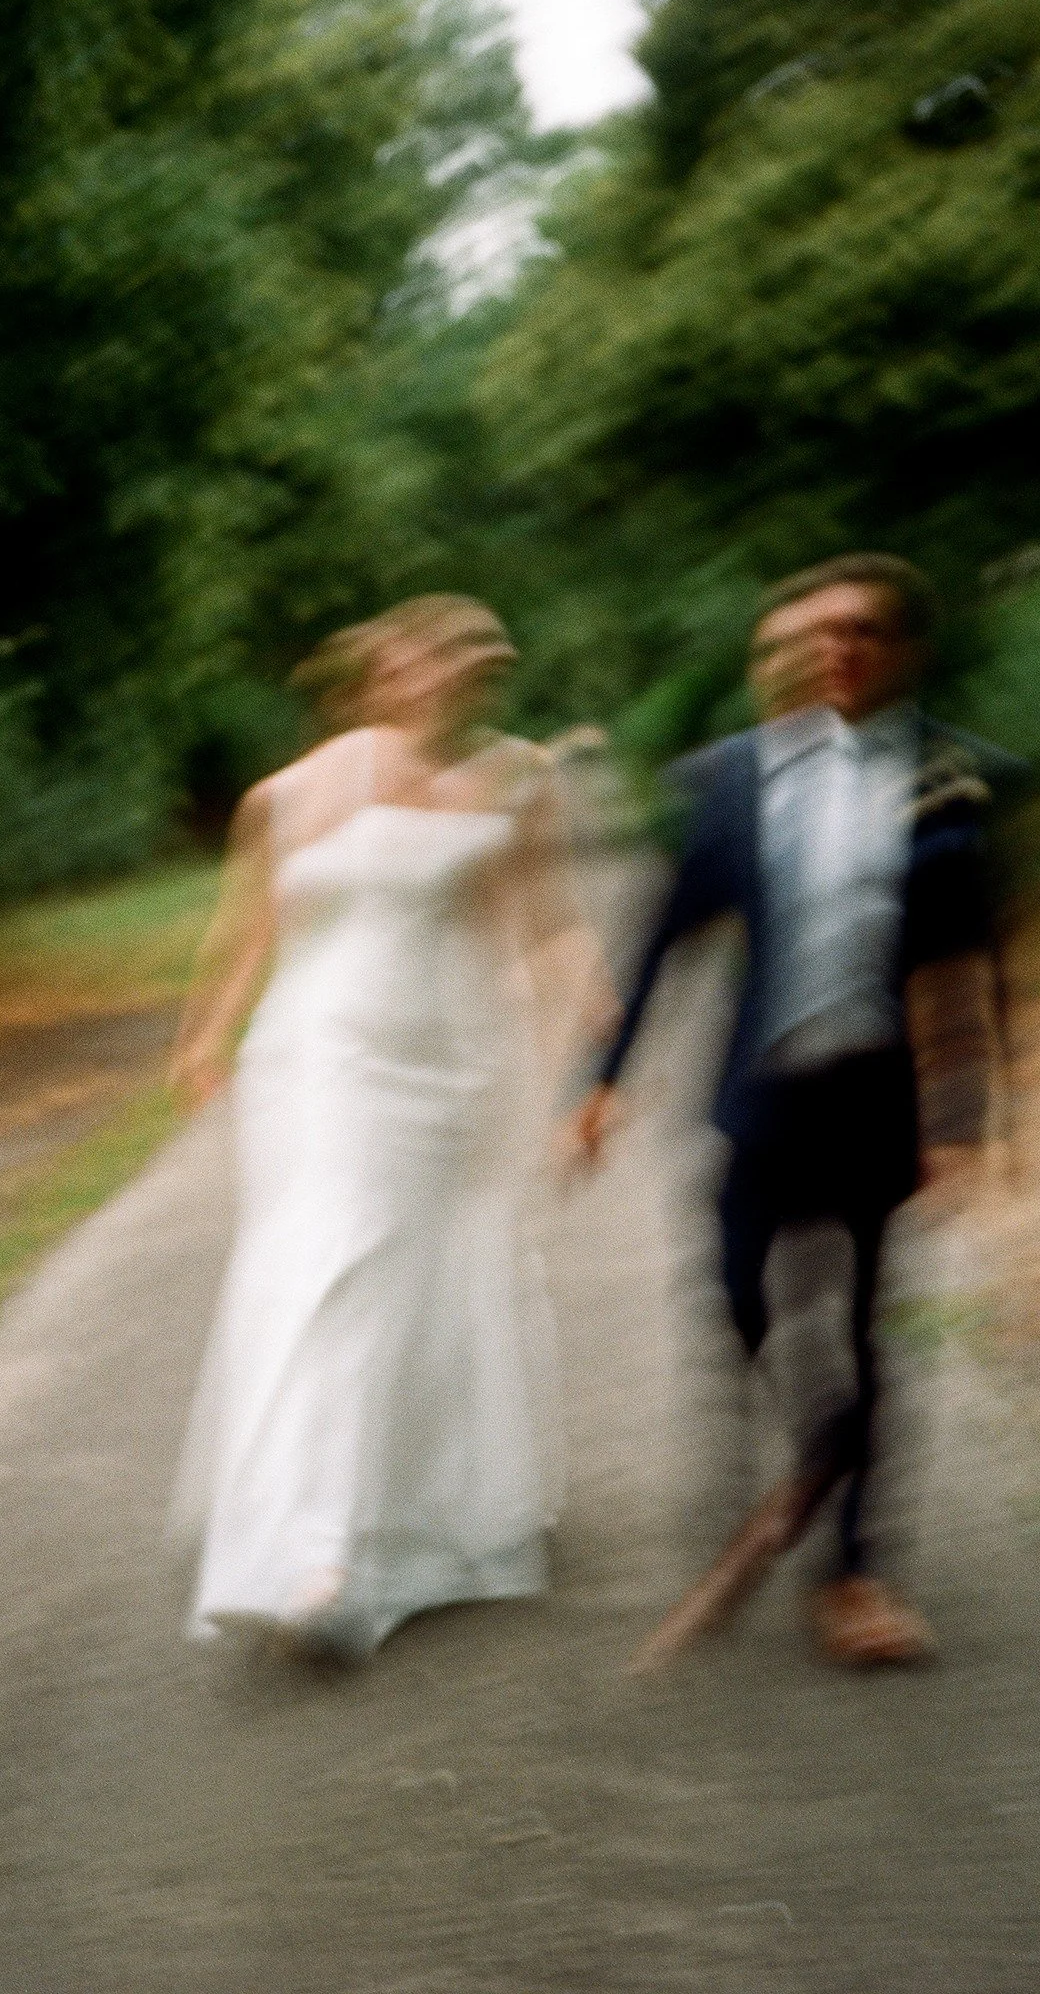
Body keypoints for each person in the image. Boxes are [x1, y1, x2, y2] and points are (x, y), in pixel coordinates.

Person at [575, 555, 1024, 1667]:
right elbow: (661, 935)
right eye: (819, 632)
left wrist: (966, 1115)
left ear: (902, 649)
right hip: (758, 1102)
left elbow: (984, 959)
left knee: (868, 1321)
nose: (840, 647)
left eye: (865, 629)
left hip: (878, 1100)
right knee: (735, 1298)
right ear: (786, 655)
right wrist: (602, 1077)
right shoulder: (728, 778)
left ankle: (858, 1574)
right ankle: (821, 1442)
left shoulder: (953, 778)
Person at [167, 595, 610, 1655]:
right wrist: (204, 1037)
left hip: (461, 1059)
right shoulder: (297, 787)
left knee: (439, 1270)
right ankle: (312, 1546)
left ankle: (428, 1502)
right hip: (324, 1058)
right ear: (382, 670)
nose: (444, 678)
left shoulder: (518, 777)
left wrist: (600, 1037)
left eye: (469, 662)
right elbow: (246, 927)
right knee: (337, 1262)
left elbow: (550, 920)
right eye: (423, 659)